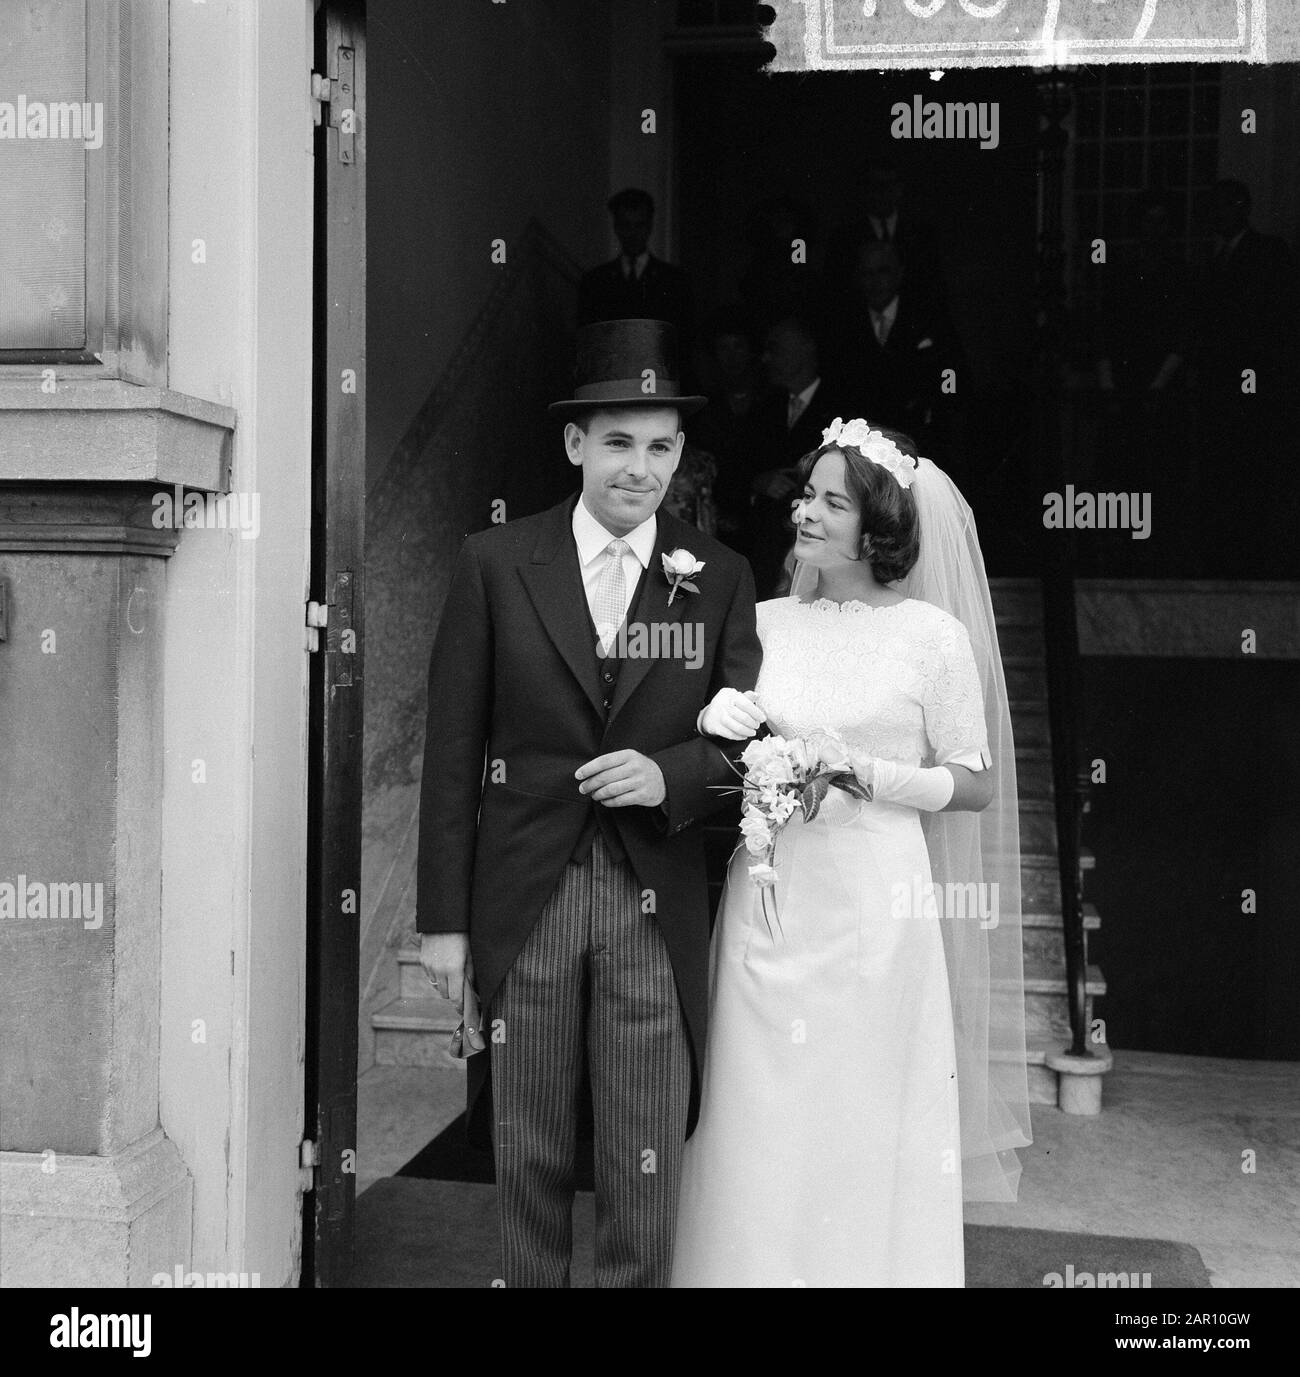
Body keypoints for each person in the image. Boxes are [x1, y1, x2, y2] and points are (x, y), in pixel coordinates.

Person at [415, 317, 762, 1288]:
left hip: (656, 894)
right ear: (575, 444)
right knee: (526, 1143)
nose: (639, 468)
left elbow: (753, 748)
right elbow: (452, 752)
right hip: (527, 892)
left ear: (681, 452)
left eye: (659, 446)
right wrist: (442, 923)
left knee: (642, 1147)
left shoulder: (718, 577)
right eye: (618, 442)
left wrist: (672, 776)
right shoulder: (494, 563)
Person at [670, 419, 1030, 1287]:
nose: (806, 512)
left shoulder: (933, 637)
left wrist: (870, 773)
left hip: (877, 901)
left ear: (880, 525)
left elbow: (974, 781)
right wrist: (716, 727)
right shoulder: (757, 621)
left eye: (833, 500)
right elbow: (723, 757)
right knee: (758, 1105)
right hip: (772, 896)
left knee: (862, 1107)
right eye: (807, 494)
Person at [746, 315, 862, 598]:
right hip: (766, 548)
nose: (766, 358)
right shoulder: (764, 407)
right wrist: (760, 482)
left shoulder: (845, 405)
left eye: (776, 349)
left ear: (807, 348)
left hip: (823, 549)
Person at [833, 239, 964, 458]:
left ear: (899, 273)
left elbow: (953, 372)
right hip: (866, 446)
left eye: (883, 271)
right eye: (867, 273)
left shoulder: (928, 318)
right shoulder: (845, 324)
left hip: (919, 439)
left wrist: (939, 405)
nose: (875, 282)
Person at [577, 188, 694, 344]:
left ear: (650, 226)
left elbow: (682, 337)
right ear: (616, 227)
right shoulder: (595, 281)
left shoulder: (674, 280)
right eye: (626, 225)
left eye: (639, 225)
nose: (632, 233)